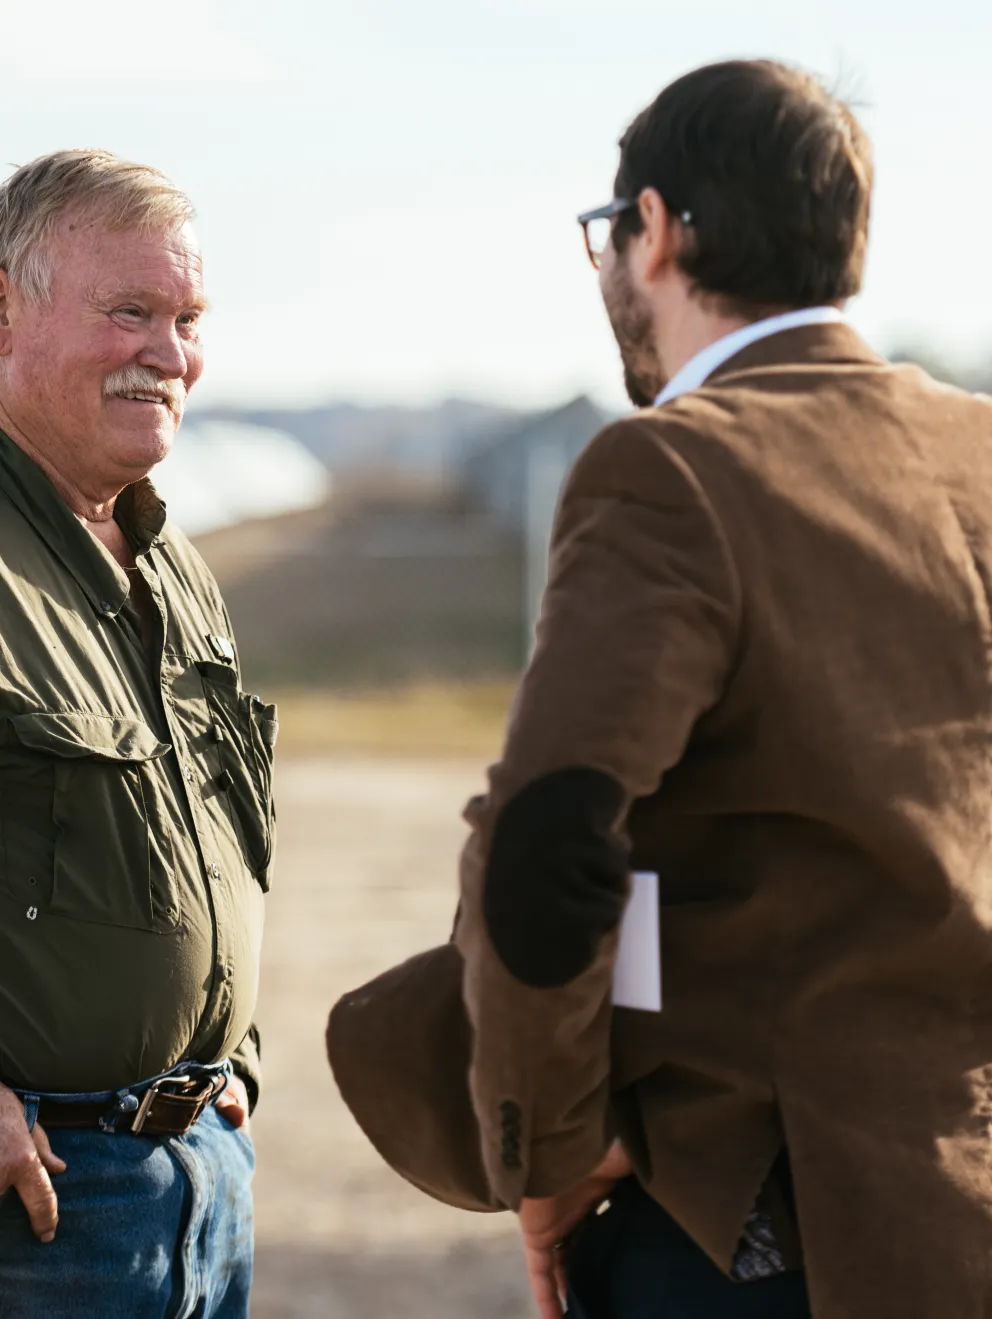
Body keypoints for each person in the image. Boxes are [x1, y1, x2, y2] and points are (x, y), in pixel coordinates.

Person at [329, 57, 992, 1319]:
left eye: (605, 233)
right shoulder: (976, 450)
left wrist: (552, 1145)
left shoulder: (673, 471)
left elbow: (547, 845)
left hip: (749, 1236)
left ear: (655, 231)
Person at [0, 150, 275, 1318]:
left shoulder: (176, 567)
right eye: (129, 312)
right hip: (42, 1203)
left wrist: (236, 1058)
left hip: (200, 1180)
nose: (168, 352)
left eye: (186, 316)